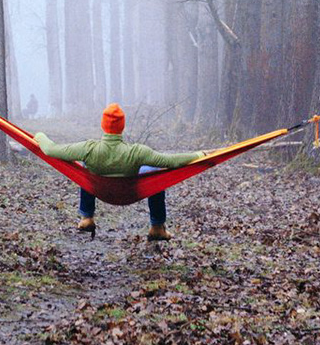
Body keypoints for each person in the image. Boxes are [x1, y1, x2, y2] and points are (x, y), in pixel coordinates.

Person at [32, 104, 203, 242]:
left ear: (103, 125)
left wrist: (40, 136)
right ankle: (157, 227)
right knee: (156, 174)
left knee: (84, 167)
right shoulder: (136, 152)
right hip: (130, 191)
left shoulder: (89, 148)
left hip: (100, 189)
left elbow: (51, 150)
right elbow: (171, 161)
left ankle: (87, 217)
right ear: (122, 126)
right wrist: (199, 155)